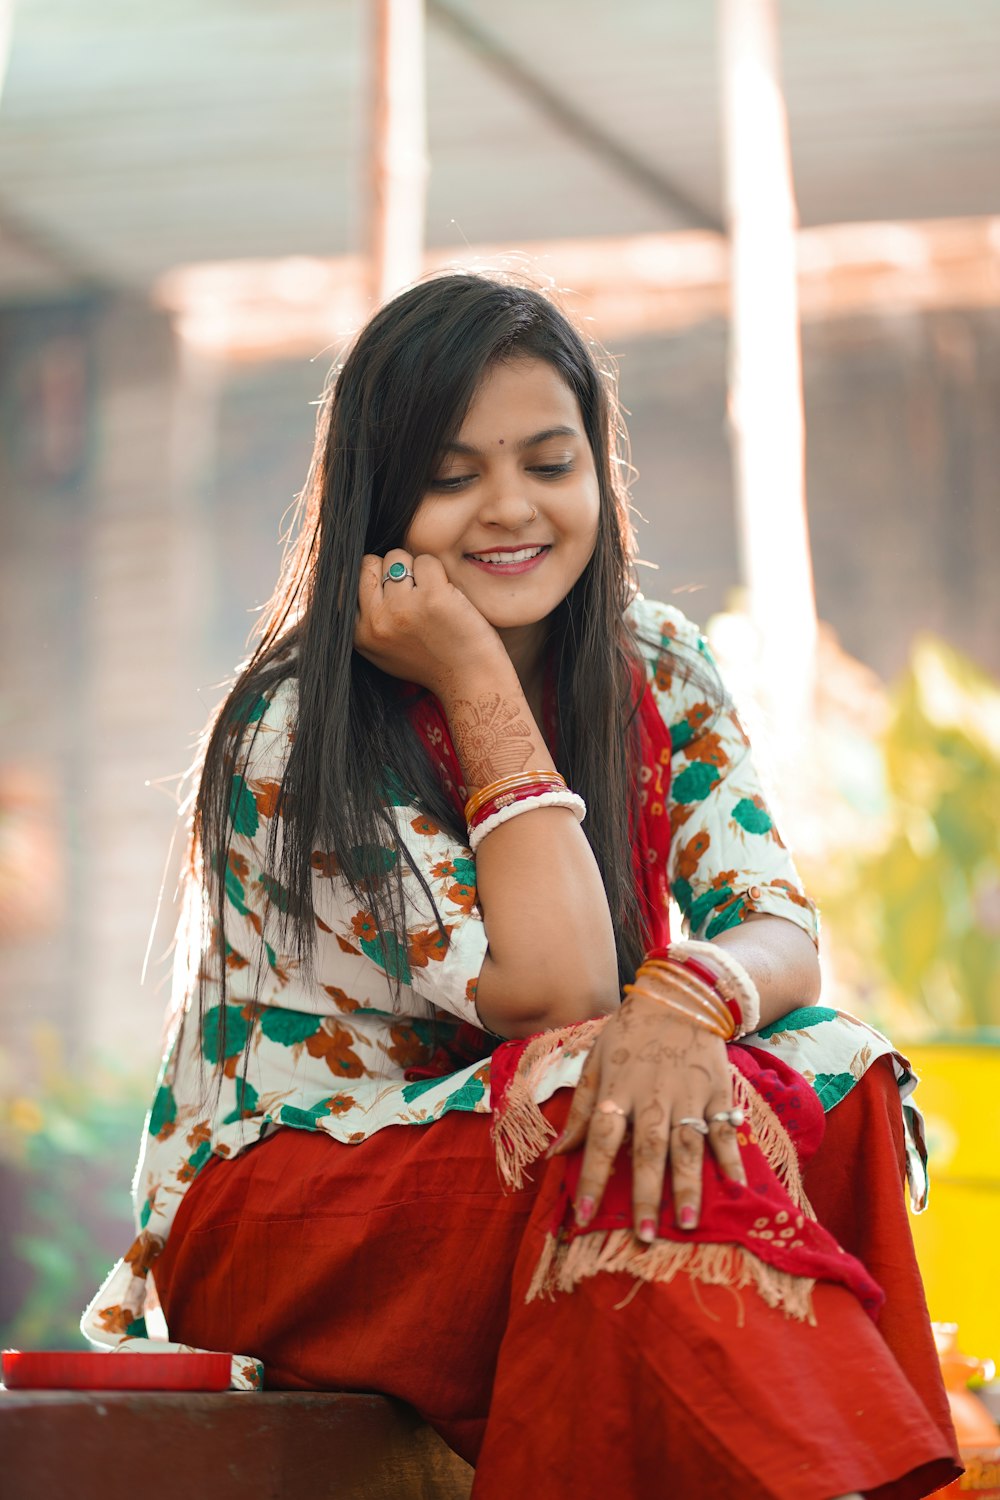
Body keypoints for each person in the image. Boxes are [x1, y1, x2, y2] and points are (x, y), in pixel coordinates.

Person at [84, 273, 960, 1499]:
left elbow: (773, 925)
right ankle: (832, 1473)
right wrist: (472, 678)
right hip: (284, 1209)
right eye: (451, 479)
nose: (510, 510)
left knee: (834, 1064)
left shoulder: (656, 658)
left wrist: (686, 1007)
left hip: (525, 1165)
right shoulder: (297, 727)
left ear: (598, 473)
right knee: (583, 1088)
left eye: (549, 463)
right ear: (378, 503)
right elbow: (554, 989)